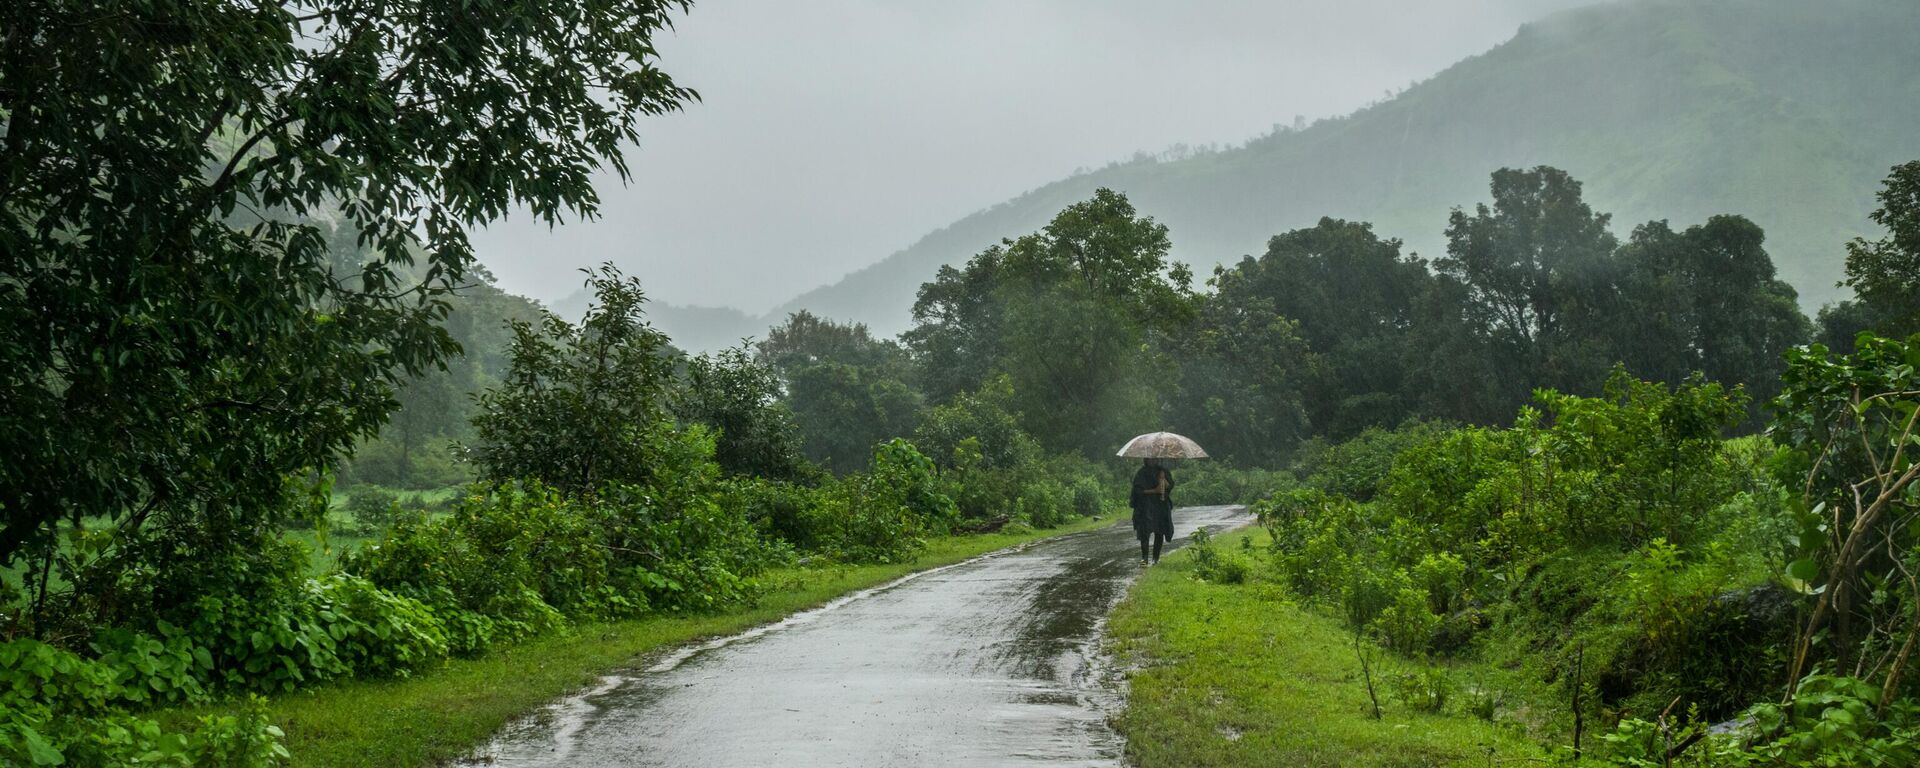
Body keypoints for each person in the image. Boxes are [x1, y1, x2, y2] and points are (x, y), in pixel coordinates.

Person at [1130, 458, 1175, 565]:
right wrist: (1154, 491)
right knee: (1144, 532)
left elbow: (1170, 486)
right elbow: (1137, 491)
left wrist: (1164, 480)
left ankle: (1156, 558)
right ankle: (1144, 558)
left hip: (1160, 505)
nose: (1152, 460)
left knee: (1159, 531)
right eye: (1150, 458)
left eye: (1154, 458)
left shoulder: (1163, 471)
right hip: (1145, 506)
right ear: (1146, 459)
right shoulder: (1141, 473)